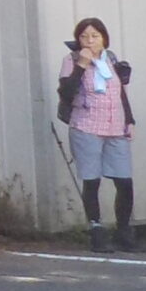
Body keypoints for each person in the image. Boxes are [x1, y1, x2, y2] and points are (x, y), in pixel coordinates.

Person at [57, 18, 138, 251]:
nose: (89, 41)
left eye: (95, 36)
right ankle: (96, 230)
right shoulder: (71, 60)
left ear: (104, 38)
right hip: (86, 125)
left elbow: (120, 93)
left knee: (124, 180)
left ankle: (124, 231)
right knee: (92, 180)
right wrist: (81, 65)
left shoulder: (110, 59)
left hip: (116, 126)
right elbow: (66, 93)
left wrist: (130, 120)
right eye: (84, 36)